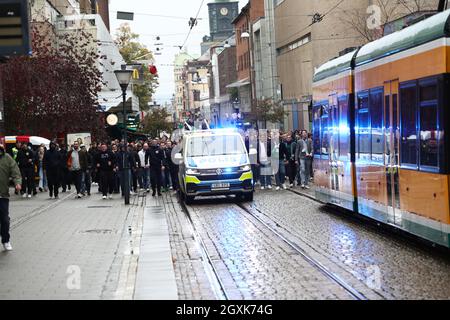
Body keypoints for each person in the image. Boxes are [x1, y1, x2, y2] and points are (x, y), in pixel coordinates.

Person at [0, 143, 22, 251]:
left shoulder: (7, 158)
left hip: (2, 195)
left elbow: (15, 172)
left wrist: (17, 182)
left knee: (4, 220)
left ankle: (5, 240)